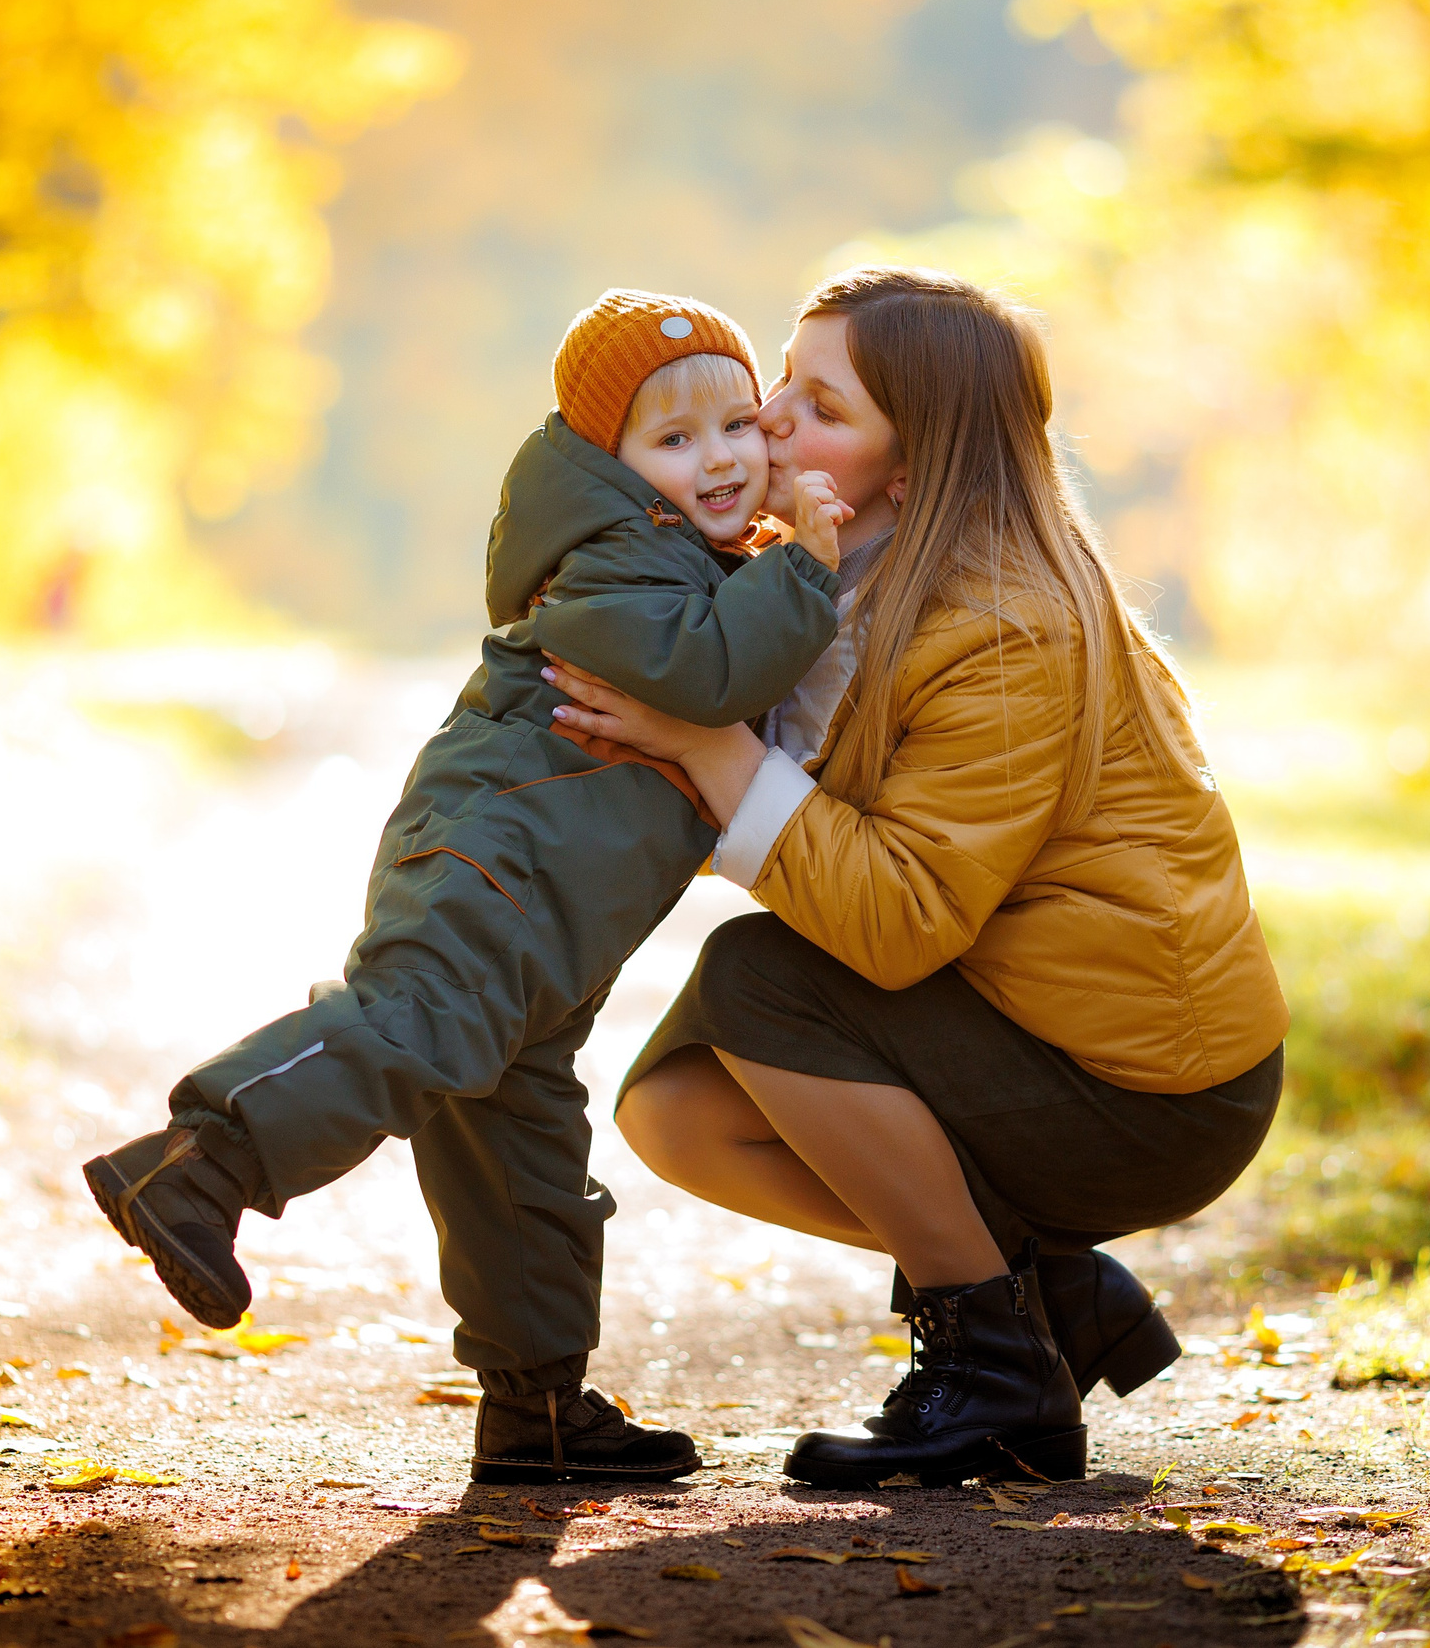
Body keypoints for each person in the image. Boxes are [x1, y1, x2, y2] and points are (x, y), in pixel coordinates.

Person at [83, 289, 854, 1485]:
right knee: (418, 1029)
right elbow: (705, 674)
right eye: (672, 440)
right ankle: (201, 1162)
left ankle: (535, 1406)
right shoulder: (612, 561)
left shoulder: (692, 555)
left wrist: (775, 562)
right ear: (611, 463)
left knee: (517, 1146)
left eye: (735, 428)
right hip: (494, 861)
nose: (717, 460)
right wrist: (807, 563)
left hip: (556, 916)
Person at [545, 265, 1289, 1490]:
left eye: (822, 407)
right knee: (677, 1108)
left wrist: (705, 743)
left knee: (759, 985)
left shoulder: (1002, 627)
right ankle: (1041, 1293)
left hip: (1148, 1085)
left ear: (913, 462)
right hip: (1016, 1015)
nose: (772, 416)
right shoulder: (824, 568)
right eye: (785, 377)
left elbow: (894, 923)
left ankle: (996, 1371)